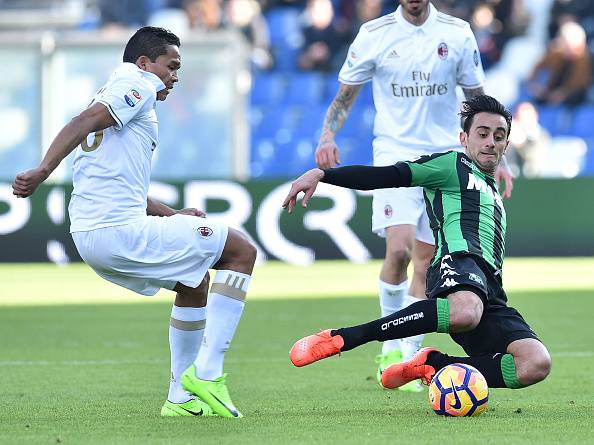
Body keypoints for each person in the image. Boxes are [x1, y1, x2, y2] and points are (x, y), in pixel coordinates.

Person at [12, 26, 255, 419]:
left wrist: (174, 216)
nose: (176, 75)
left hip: (96, 234)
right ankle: (208, 375)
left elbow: (123, 187)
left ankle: (181, 398)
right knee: (241, 250)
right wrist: (43, 170)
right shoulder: (136, 84)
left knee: (194, 282)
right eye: (171, 66)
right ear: (145, 63)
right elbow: (80, 122)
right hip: (117, 232)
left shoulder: (117, 94)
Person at [284, 95, 551, 393]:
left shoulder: (493, 191)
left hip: (490, 289)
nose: (491, 142)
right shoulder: (452, 164)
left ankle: (435, 364)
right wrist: (324, 174)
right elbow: (389, 175)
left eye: (499, 137)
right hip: (457, 263)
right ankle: (346, 337)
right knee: (465, 311)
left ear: (506, 145)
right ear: (464, 138)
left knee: (535, 363)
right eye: (483, 133)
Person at [313, 0, 515, 392]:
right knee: (400, 250)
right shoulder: (375, 34)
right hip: (396, 151)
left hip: (449, 156)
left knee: (427, 259)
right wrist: (327, 134)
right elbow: (346, 94)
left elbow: (476, 94)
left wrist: (498, 159)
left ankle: (409, 357)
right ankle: (388, 347)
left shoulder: (457, 33)